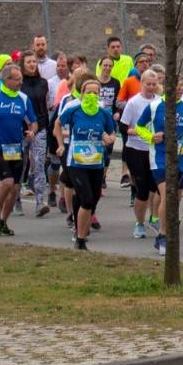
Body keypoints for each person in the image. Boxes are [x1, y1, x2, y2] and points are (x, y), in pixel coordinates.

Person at [134, 68, 183, 256]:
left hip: (181, 159)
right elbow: (139, 127)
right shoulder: (154, 106)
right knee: (167, 195)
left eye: (181, 87)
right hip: (160, 158)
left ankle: (168, 232)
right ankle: (162, 235)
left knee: (175, 198)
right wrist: (151, 137)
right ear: (166, 88)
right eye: (175, 87)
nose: (179, 90)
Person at [59, 75, 117, 250]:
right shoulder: (74, 109)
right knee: (86, 200)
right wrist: (61, 143)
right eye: (88, 92)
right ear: (82, 93)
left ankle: (79, 226)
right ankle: (81, 238)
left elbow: (112, 133)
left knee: (93, 197)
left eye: (95, 93)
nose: (92, 95)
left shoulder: (104, 113)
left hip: (96, 163)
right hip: (76, 162)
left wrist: (109, 138)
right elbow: (57, 125)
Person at [0, 64, 36, 236]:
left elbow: (33, 122)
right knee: (6, 182)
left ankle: (3, 222)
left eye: (21, 79)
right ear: (6, 80)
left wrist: (32, 131)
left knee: (14, 189)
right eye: (17, 79)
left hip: (16, 148)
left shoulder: (23, 98)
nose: (20, 82)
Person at [121, 66, 162, 238]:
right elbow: (123, 127)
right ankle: (139, 223)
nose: (151, 87)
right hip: (136, 150)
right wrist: (137, 132)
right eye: (148, 84)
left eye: (154, 84)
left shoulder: (160, 101)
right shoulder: (133, 102)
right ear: (142, 84)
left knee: (157, 187)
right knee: (143, 190)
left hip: (155, 150)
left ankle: (154, 217)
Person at [20, 52, 53, 216]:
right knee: (20, 165)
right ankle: (16, 200)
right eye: (28, 62)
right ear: (22, 64)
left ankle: (40, 202)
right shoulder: (18, 83)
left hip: (39, 128)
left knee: (39, 164)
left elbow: (46, 105)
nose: (32, 64)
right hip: (21, 130)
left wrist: (45, 126)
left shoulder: (43, 83)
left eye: (34, 62)